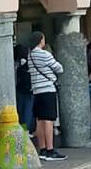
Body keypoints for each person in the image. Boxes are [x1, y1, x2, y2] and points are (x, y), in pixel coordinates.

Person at [27, 32, 66, 161]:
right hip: (47, 89)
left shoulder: (30, 55)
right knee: (49, 120)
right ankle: (50, 150)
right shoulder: (44, 54)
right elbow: (59, 68)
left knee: (39, 120)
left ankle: (42, 149)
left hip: (36, 91)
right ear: (40, 40)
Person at [14, 43, 34, 133]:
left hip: (19, 89)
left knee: (20, 109)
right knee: (28, 110)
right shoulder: (30, 63)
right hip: (29, 90)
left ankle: (20, 128)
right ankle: (26, 130)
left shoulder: (15, 64)